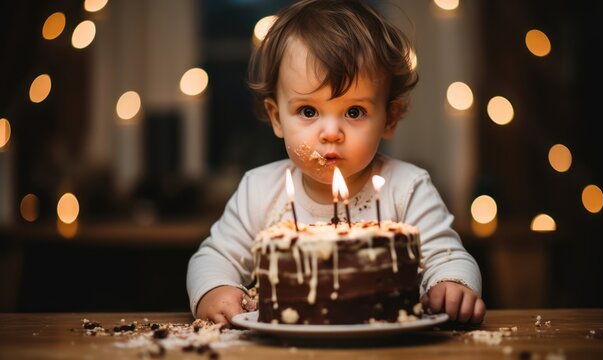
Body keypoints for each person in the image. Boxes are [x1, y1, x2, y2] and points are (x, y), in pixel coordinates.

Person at [187, 0, 486, 326]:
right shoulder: (259, 190)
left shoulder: (407, 187)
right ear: (276, 118)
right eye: (308, 111)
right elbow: (214, 257)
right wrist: (213, 290)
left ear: (390, 117)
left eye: (354, 111)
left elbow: (448, 256)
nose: (331, 133)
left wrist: (452, 284)